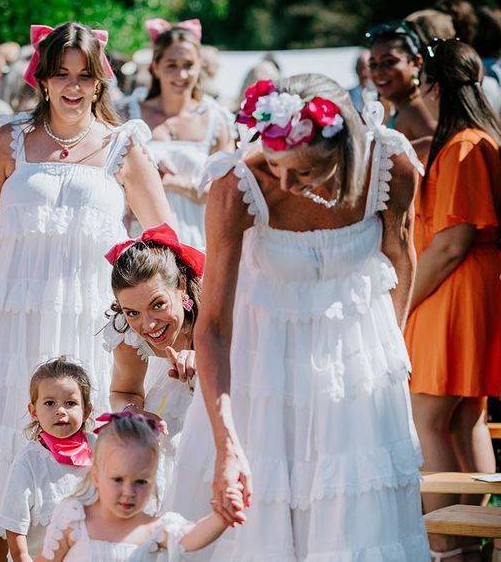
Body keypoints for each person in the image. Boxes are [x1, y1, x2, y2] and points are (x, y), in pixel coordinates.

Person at [0, 22, 171, 559]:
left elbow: (162, 238)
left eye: (84, 76)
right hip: (13, 315)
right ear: (41, 78)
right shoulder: (8, 139)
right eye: (61, 73)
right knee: (7, 451)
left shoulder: (122, 146)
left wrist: (166, 317)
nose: (72, 86)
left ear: (98, 82)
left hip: (91, 315)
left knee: (89, 452)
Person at [168, 76, 430, 559]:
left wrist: (390, 359)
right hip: (262, 381)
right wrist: (227, 443)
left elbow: (401, 256)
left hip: (355, 380)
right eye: (273, 164)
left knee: (354, 527)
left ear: (344, 152)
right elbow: (213, 329)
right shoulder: (236, 187)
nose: (284, 184)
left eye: (304, 172)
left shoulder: (389, 166)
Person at [404, 40, 501, 562]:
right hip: (469, 286)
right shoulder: (478, 139)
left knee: (430, 420)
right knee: (464, 420)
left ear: (436, 88)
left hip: (455, 287)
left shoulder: (465, 145)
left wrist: (406, 303)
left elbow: (452, 242)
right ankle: (469, 541)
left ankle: (446, 546)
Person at [37, 411, 237, 561]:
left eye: (140, 482)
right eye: (117, 480)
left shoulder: (153, 529)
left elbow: (191, 536)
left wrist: (221, 517)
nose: (128, 492)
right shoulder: (75, 517)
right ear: (96, 476)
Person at [103, 224, 203, 506]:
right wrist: (133, 413)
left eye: (157, 304)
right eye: (132, 312)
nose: (148, 325)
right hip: (167, 417)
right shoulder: (127, 333)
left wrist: (209, 362)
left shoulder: (217, 309)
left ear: (181, 286)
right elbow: (124, 392)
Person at [121, 19, 233, 248]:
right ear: (156, 66)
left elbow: (226, 191)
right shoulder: (128, 113)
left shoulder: (215, 119)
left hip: (198, 239)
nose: (181, 74)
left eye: (188, 65)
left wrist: (174, 182)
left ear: (199, 66)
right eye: (172, 65)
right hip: (139, 240)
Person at [0, 357, 96, 562]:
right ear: (34, 412)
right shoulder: (28, 463)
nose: (60, 410)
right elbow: (14, 525)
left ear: (86, 411)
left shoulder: (100, 448)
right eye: (50, 403)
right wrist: (22, 557)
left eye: (70, 403)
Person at [366, 19, 436, 158]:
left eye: (389, 62)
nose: (378, 72)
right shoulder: (401, 108)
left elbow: (443, 148)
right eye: (373, 64)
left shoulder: (415, 110)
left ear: (416, 63)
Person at [347, 48, 374, 113]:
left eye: (366, 68)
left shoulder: (384, 95)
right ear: (356, 70)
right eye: (360, 68)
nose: (363, 73)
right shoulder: (348, 95)